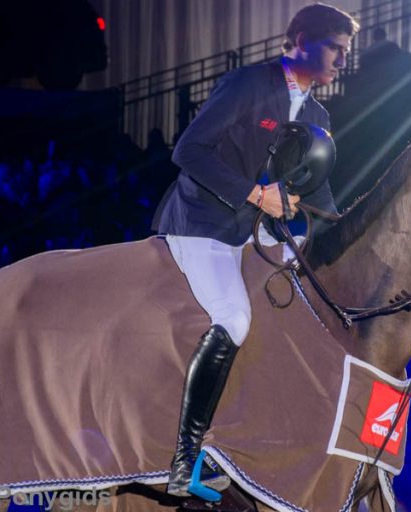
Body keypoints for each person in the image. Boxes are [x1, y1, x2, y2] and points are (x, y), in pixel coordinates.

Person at [151, 3, 359, 499]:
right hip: (203, 225)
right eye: (336, 48)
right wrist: (256, 194)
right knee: (235, 319)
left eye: (346, 52)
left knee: (302, 307)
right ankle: (184, 460)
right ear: (301, 40)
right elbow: (188, 152)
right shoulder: (247, 85)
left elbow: (321, 199)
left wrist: (352, 237)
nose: (342, 61)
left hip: (257, 234)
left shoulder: (317, 114)